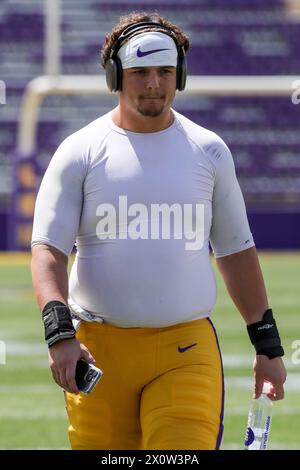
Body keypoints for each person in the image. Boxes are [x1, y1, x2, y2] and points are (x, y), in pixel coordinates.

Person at [31, 11, 286, 450]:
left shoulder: (209, 151)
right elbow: (48, 250)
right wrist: (59, 335)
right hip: (98, 351)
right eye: (140, 71)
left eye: (165, 71)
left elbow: (236, 251)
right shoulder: (79, 152)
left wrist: (268, 346)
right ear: (116, 75)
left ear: (180, 74)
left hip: (185, 350)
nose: (153, 83)